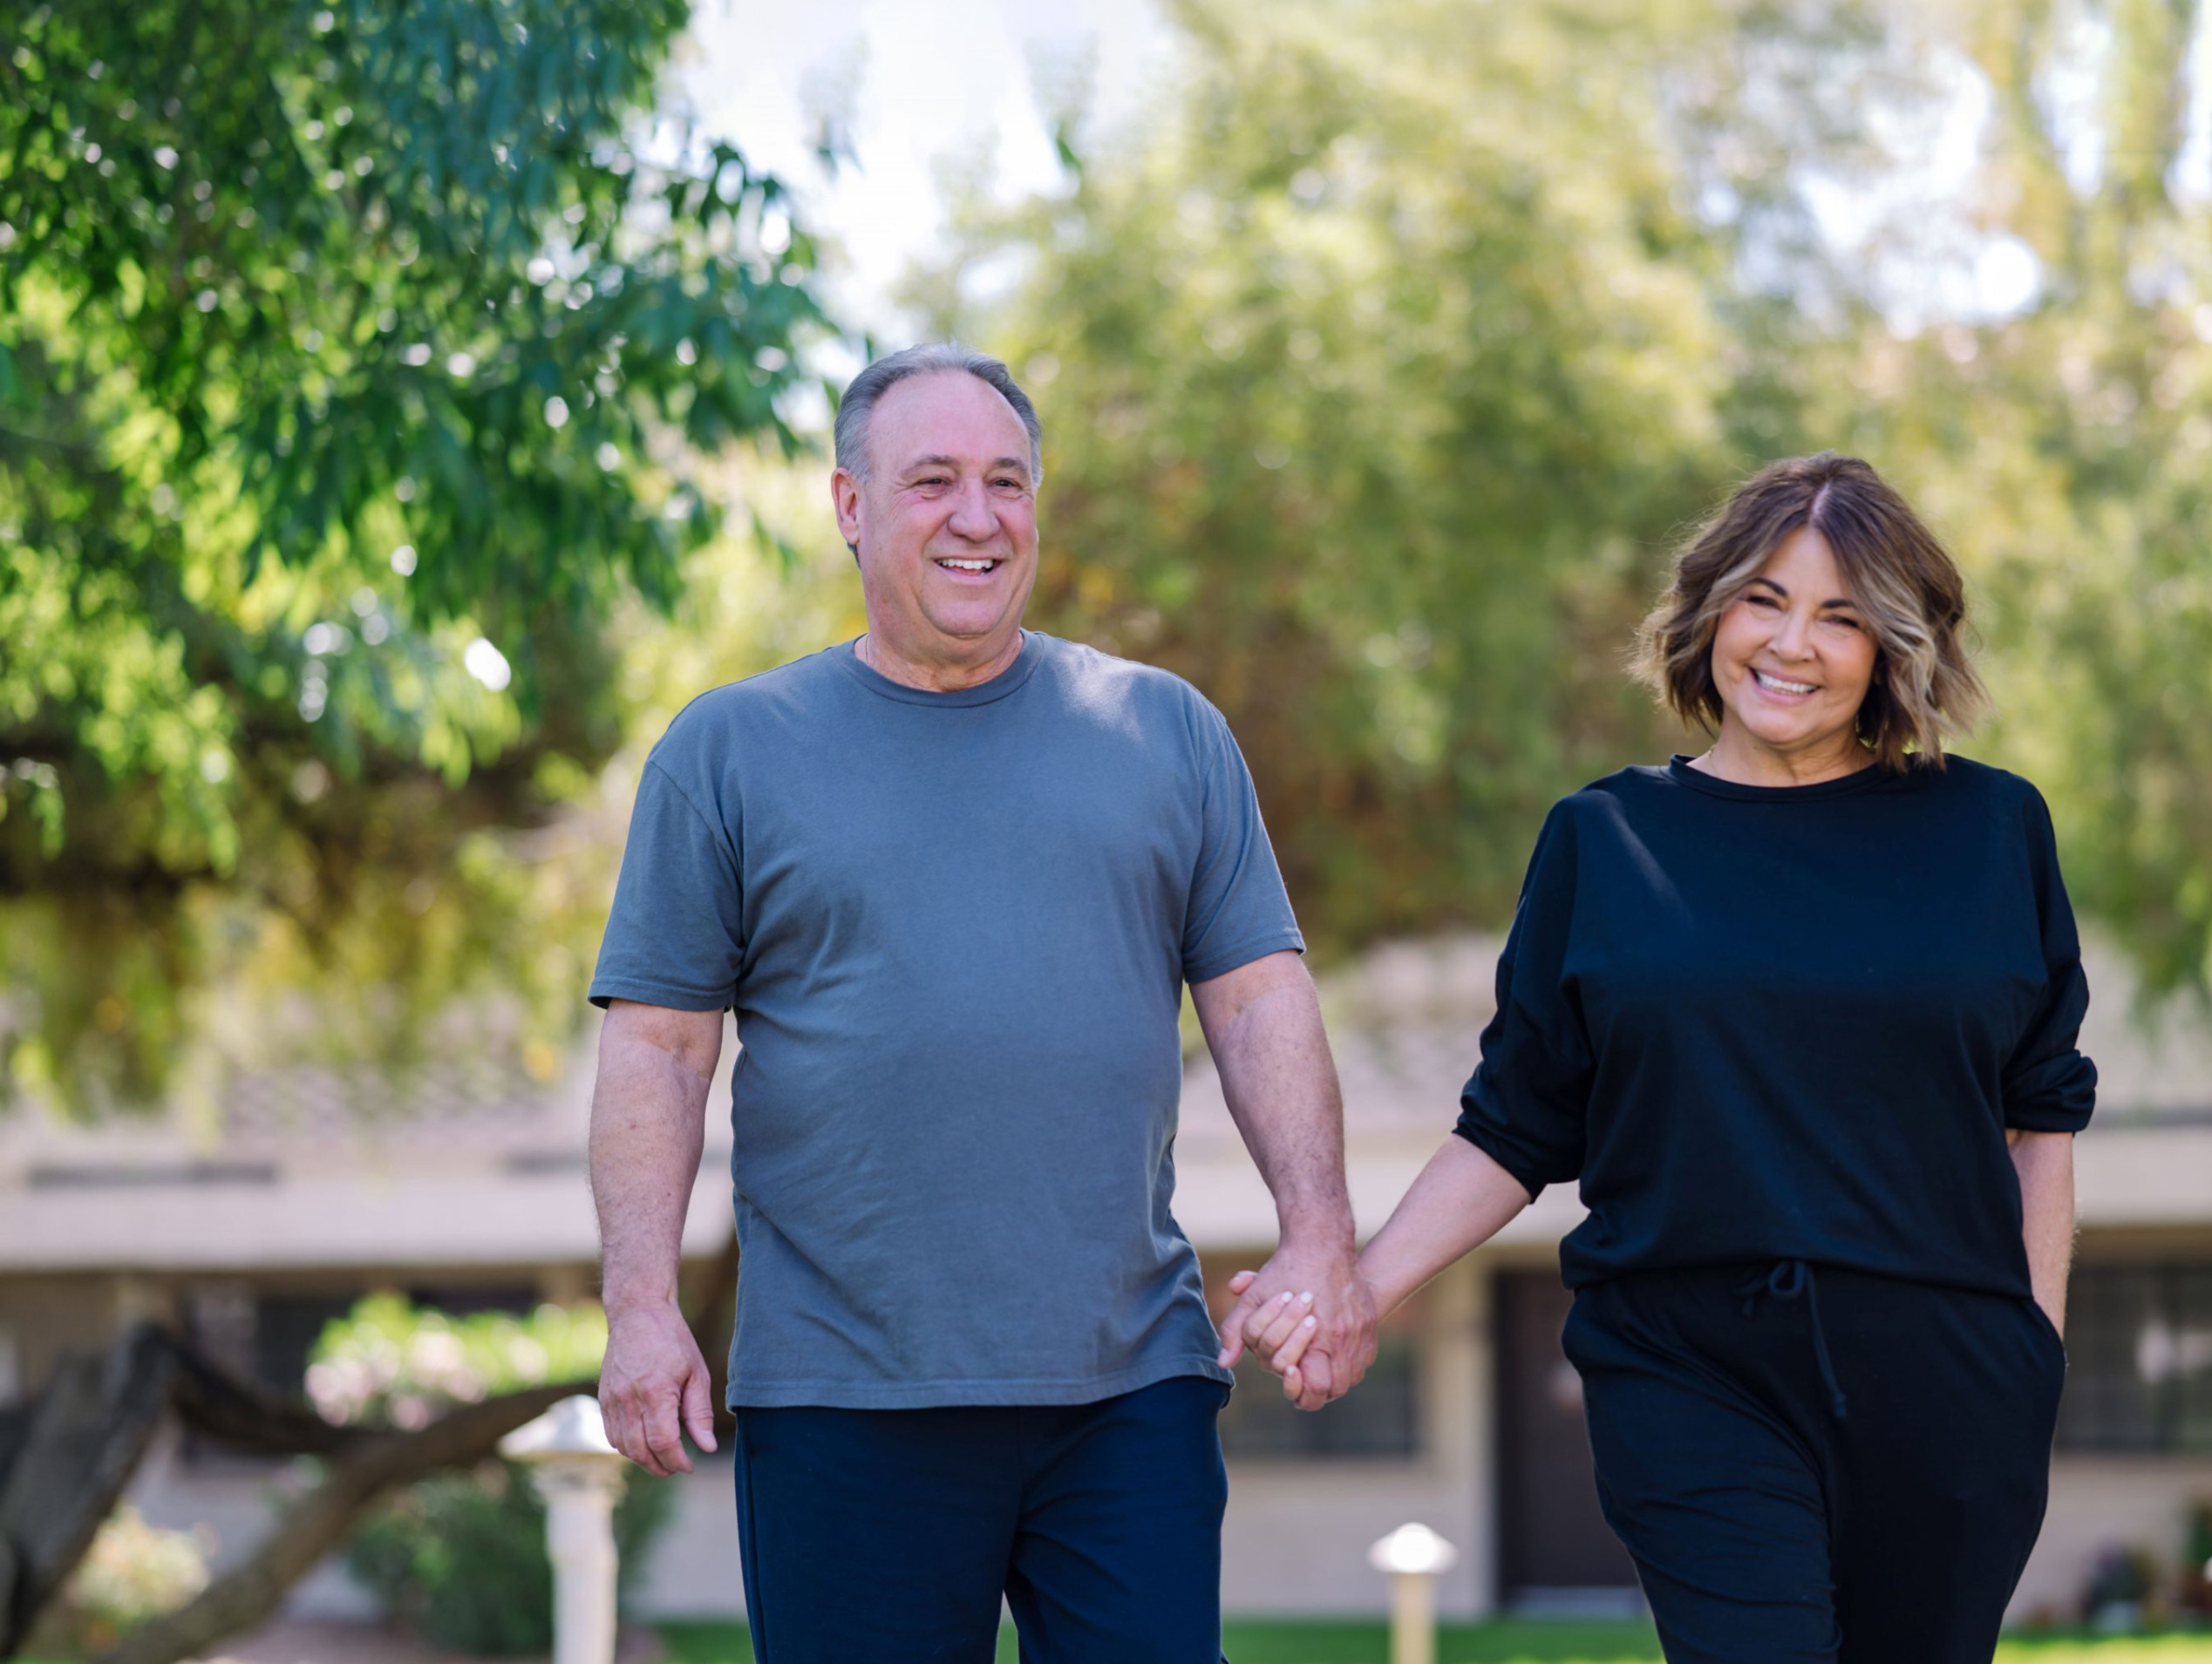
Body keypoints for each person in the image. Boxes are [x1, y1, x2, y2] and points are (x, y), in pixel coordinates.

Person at [586, 343, 1375, 1663]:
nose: (978, 516)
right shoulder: (728, 750)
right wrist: (640, 1304)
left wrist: (1321, 1237)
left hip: (1126, 1390)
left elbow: (1258, 1002)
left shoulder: (1165, 729)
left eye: (1008, 481)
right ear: (850, 504)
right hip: (846, 1396)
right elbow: (658, 1052)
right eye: (934, 479)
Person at [1235, 452, 2093, 1664]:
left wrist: (2032, 1357)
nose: (1792, 643)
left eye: (1841, 617)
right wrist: (1363, 1286)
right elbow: (1518, 1121)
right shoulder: (1605, 841)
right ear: (1709, 611)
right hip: (1690, 1365)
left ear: (1894, 646)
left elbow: (2040, 1114)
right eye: (1764, 599)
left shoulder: (1990, 827)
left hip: (1947, 1381)